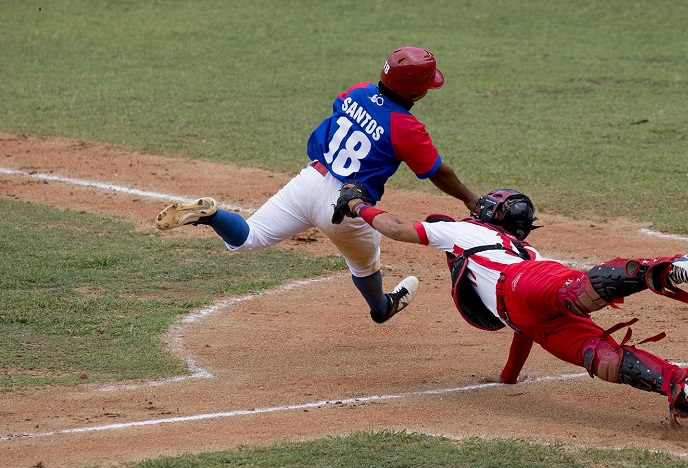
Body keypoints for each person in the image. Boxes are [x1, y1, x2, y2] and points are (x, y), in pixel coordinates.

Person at [336, 187, 688, 427]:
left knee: (578, 292)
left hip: (520, 280)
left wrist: (357, 205)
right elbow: (522, 327)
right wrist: (509, 376)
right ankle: (681, 384)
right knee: (599, 356)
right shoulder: (527, 248)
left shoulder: (464, 230)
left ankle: (671, 268)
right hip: (529, 316)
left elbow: (396, 227)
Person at [155, 46, 479, 324]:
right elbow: (438, 172)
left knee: (248, 237)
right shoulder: (407, 128)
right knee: (365, 264)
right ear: (416, 92)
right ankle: (381, 309)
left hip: (309, 181)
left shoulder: (357, 91)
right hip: (347, 206)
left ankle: (212, 216)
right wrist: (469, 198)